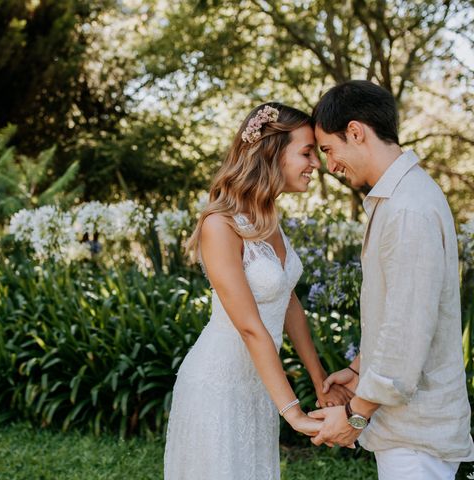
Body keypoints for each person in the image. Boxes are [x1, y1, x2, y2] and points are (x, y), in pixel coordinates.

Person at [163, 102, 352, 480]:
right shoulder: (221, 225)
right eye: (306, 152)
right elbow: (250, 327)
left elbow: (289, 302)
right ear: (272, 152)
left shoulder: (270, 218)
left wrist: (320, 383)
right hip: (216, 389)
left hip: (259, 388)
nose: (316, 164)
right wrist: (293, 412)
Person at [308, 80, 474, 479]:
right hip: (408, 431)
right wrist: (360, 367)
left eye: (329, 149)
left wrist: (354, 415)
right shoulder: (398, 200)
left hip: (417, 437)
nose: (329, 166)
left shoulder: (407, 210)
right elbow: (401, 312)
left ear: (355, 131)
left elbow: (405, 334)